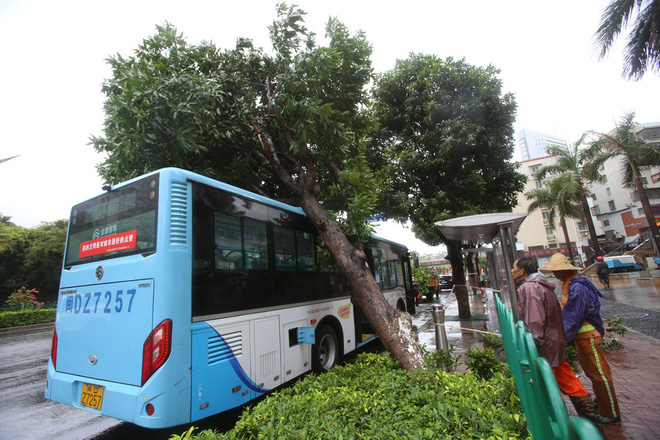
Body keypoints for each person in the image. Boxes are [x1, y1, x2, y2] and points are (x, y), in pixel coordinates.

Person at [511, 257, 608, 424]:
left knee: (564, 380)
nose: (512, 270)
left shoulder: (529, 288)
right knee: (564, 379)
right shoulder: (538, 286)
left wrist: (531, 345)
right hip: (553, 342)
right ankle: (588, 418)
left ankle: (588, 421)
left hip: (546, 346)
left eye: (514, 267)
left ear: (522, 271)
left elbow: (535, 321)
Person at [541, 253, 621, 424]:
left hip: (588, 336)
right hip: (582, 337)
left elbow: (573, 316)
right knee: (593, 374)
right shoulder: (569, 283)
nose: (554, 274)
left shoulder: (577, 287)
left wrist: (563, 339)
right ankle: (601, 404)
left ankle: (610, 412)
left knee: (600, 375)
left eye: (557, 271)